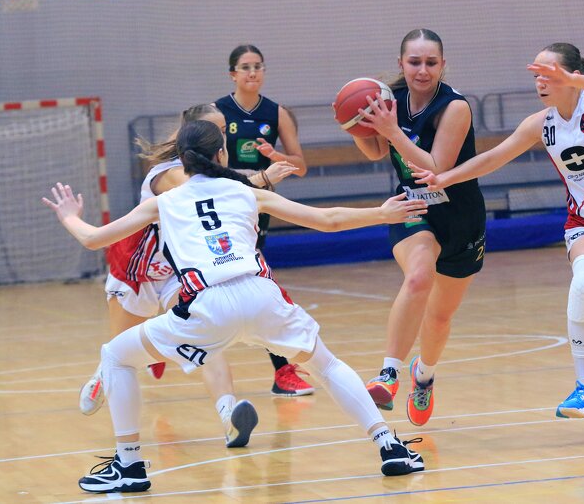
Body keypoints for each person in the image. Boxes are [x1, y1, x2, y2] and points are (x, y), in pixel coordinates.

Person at [43, 120, 428, 493]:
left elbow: (93, 239)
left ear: (182, 160)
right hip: (261, 295)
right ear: (221, 154)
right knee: (326, 365)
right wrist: (382, 213)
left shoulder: (165, 202)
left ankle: (128, 466)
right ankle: (389, 446)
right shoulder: (246, 191)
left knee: (116, 356)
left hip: (208, 305)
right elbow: (327, 220)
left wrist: (69, 216)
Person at [409, 42, 584, 421]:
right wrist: (444, 178)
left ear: (572, 75)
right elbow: (493, 157)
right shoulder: (541, 124)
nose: (540, 82)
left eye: (548, 74)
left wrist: (573, 80)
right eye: (537, 75)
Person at [80, 104, 297, 449]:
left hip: (177, 271)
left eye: (225, 129)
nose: (223, 136)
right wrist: (262, 179)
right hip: (136, 269)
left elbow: (222, 187)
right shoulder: (166, 172)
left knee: (207, 340)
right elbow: (207, 192)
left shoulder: (214, 174)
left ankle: (229, 416)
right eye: (218, 130)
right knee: (119, 350)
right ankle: (101, 376)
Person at [340, 29, 486, 426]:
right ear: (401, 63)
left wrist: (390, 130)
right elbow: (375, 150)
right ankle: (388, 374)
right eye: (414, 62)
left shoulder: (454, 107)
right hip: (413, 208)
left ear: (443, 65)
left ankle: (424, 375)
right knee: (419, 277)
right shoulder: (389, 100)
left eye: (430, 62)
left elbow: (435, 167)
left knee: (439, 318)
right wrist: (356, 125)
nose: (422, 70)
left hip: (460, 217)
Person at [215, 44, 314, 397]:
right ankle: (283, 370)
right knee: (247, 281)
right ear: (233, 74)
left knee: (256, 281)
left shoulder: (277, 113)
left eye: (258, 66)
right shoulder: (217, 112)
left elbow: (300, 166)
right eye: (245, 67)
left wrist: (275, 155)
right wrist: (245, 176)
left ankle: (283, 371)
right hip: (222, 205)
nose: (252, 72)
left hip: (257, 205)